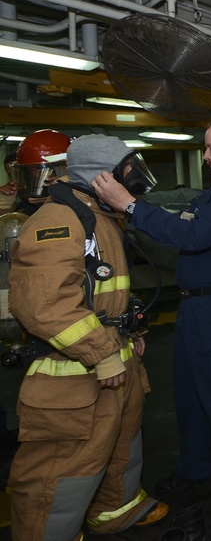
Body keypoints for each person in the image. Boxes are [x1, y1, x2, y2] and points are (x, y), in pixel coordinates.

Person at [91, 116, 211, 531]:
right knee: (190, 400)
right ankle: (197, 468)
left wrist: (130, 205)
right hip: (194, 310)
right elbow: (186, 226)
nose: (205, 156)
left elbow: (190, 236)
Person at [8, 134, 168, 538]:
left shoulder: (97, 216)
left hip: (114, 358)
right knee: (62, 471)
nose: (134, 177)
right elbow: (44, 304)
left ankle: (114, 511)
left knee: (119, 447)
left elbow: (106, 287)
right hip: (74, 374)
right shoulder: (59, 220)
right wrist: (101, 352)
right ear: (101, 175)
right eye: (126, 169)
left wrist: (133, 329)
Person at [11, 128, 70, 215]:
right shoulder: (27, 206)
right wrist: (5, 208)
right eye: (30, 170)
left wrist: (69, 197)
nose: (36, 175)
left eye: (39, 169)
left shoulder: (88, 197)